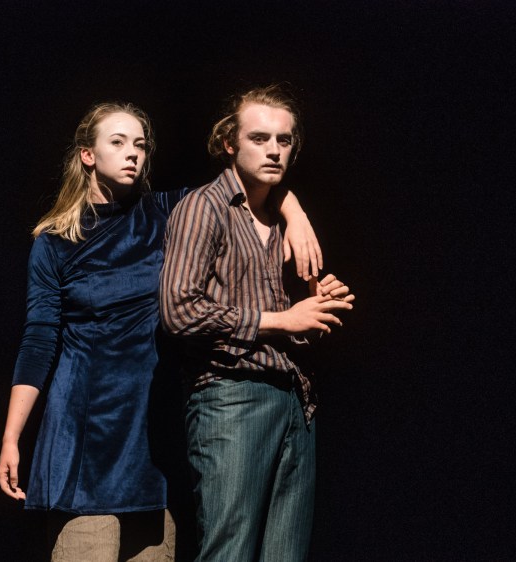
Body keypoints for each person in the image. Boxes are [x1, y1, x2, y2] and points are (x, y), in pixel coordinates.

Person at [0, 101, 323, 561]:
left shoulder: (166, 212)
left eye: (140, 145)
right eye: (118, 142)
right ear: (88, 154)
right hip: (84, 431)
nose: (133, 153)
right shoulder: (55, 243)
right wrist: (12, 437)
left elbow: (243, 187)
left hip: (152, 429)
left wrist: (295, 211)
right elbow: (39, 340)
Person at [159, 85, 355, 562]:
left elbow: (287, 327)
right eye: (259, 138)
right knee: (229, 553)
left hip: (295, 400)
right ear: (229, 143)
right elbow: (179, 309)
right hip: (231, 397)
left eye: (284, 140)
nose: (273, 150)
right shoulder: (204, 207)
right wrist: (283, 319)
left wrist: (314, 311)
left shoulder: (283, 222)